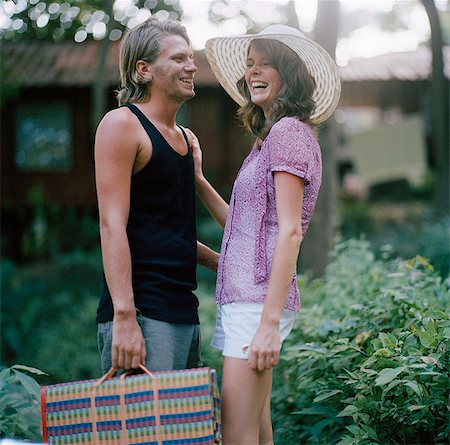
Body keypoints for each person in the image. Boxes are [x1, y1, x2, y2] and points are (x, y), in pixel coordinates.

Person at [192, 25, 341, 444]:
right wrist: (199, 181)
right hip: (246, 299)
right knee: (257, 432)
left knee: (236, 436)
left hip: (258, 304)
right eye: (250, 64)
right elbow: (244, 225)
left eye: (266, 63)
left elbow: (290, 232)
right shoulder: (268, 139)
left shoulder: (289, 133)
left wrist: (268, 325)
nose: (254, 72)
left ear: (288, 73)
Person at [94, 17, 219, 374]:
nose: (191, 66)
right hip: (144, 314)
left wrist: (222, 263)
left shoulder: (185, 137)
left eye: (190, 58)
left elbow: (167, 234)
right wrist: (124, 317)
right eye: (179, 58)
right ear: (144, 69)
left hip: (184, 311)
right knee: (143, 431)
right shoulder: (122, 125)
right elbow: (111, 224)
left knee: (183, 431)